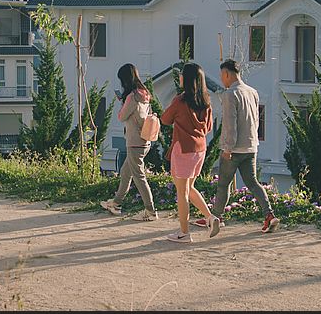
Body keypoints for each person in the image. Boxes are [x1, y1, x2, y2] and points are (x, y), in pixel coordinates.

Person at [201, 58, 279, 235]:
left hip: (234, 148)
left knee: (223, 184)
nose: (222, 79)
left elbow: (230, 123)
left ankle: (216, 218)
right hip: (251, 145)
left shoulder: (230, 94)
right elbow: (257, 120)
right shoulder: (252, 92)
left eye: (222, 75)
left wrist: (227, 148)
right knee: (253, 183)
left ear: (227, 74)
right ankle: (269, 214)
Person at [160, 63, 220, 243]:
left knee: (182, 192)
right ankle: (211, 218)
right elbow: (208, 127)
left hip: (183, 148)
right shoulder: (206, 101)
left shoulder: (180, 101)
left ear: (186, 80)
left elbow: (165, 119)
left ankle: (184, 233)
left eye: (181, 75)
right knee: (189, 188)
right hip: (200, 149)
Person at [100, 63, 158, 221]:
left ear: (125, 79)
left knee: (139, 176)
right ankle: (116, 204)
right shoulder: (145, 93)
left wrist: (123, 103)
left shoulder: (132, 96)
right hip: (145, 140)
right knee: (126, 173)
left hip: (134, 142)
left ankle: (151, 211)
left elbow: (122, 116)